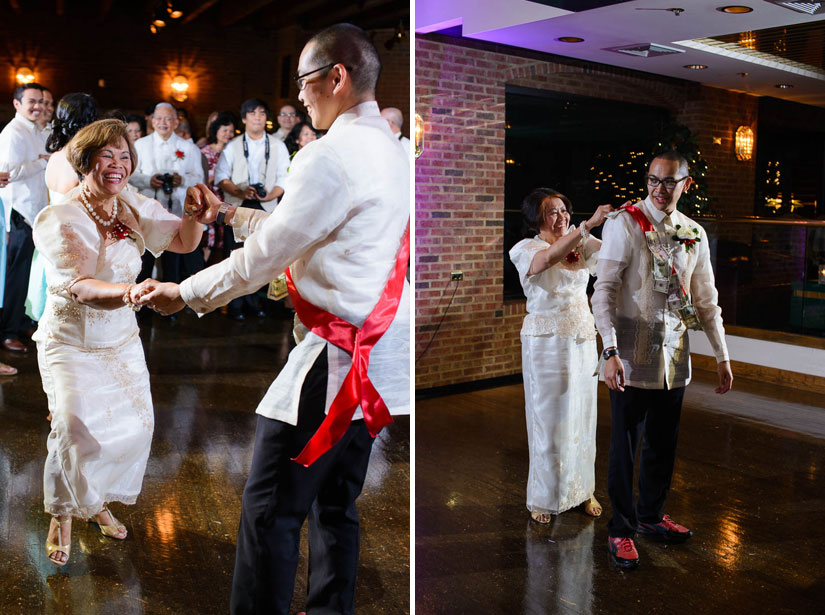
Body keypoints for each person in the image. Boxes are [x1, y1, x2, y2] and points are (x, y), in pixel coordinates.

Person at [138, 23, 409, 614]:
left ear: (336, 77)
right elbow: (309, 234)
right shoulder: (391, 149)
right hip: (381, 350)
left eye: (306, 83)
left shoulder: (329, 155)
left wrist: (184, 291)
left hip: (335, 359)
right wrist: (231, 214)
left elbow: (268, 258)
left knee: (270, 507)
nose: (302, 97)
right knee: (336, 504)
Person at [35, 118, 204, 566]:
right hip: (70, 341)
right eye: (106, 155)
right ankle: (62, 516)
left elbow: (184, 242)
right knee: (73, 430)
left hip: (121, 342)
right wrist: (132, 293)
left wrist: (195, 213)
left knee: (130, 429)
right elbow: (82, 286)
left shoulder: (128, 203)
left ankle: (94, 502)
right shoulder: (62, 215)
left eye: (124, 156)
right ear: (84, 160)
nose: (118, 165)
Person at [591, 150, 733, 570]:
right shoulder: (625, 224)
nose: (659, 189)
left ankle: (651, 515)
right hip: (630, 358)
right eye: (653, 180)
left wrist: (722, 355)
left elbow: (707, 301)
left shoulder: (694, 232)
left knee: (663, 446)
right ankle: (620, 528)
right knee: (625, 447)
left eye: (669, 182)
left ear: (686, 184)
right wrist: (609, 350)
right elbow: (604, 290)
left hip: (675, 357)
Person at [509, 189, 613, 523]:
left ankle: (582, 490)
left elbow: (613, 257)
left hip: (582, 339)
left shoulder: (578, 243)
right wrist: (584, 228)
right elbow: (546, 261)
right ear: (536, 218)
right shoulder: (526, 249)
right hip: (547, 343)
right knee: (550, 419)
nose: (561, 217)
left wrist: (625, 223)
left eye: (564, 210)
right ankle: (543, 496)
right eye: (552, 212)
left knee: (582, 416)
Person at [27, 93, 100, 336]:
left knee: (56, 302)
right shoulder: (84, 159)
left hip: (53, 235)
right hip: (77, 234)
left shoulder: (55, 156)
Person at [215, 98, 289, 319]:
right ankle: (235, 304)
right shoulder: (233, 145)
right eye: (253, 113)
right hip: (238, 205)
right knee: (236, 256)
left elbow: (286, 177)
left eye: (262, 113)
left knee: (260, 255)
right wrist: (239, 192)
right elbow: (221, 176)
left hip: (266, 205)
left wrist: (271, 194)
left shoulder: (277, 145)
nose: (258, 117)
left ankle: (255, 302)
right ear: (244, 118)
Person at [131, 102, 205, 289]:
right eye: (159, 118)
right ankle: (140, 303)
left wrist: (182, 180)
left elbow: (199, 177)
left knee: (173, 260)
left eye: (168, 118)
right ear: (152, 120)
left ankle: (170, 303)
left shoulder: (187, 147)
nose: (163, 122)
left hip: (175, 211)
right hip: (146, 214)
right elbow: (130, 175)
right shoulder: (140, 145)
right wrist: (149, 180)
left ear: (175, 123)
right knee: (143, 261)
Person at [0, 83, 50, 354]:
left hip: (37, 212)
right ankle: (7, 332)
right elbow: (7, 173)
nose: (38, 106)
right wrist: (43, 162)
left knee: (29, 276)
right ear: (17, 103)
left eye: (41, 101)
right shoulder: (14, 132)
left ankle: (20, 323)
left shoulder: (39, 131)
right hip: (19, 213)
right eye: (32, 101)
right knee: (15, 277)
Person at [200, 111, 237, 264]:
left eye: (231, 131)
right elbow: (200, 178)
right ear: (216, 131)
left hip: (228, 199)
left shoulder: (233, 152)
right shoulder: (205, 152)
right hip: (210, 199)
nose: (228, 134)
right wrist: (219, 178)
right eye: (225, 130)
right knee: (209, 240)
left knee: (224, 242)